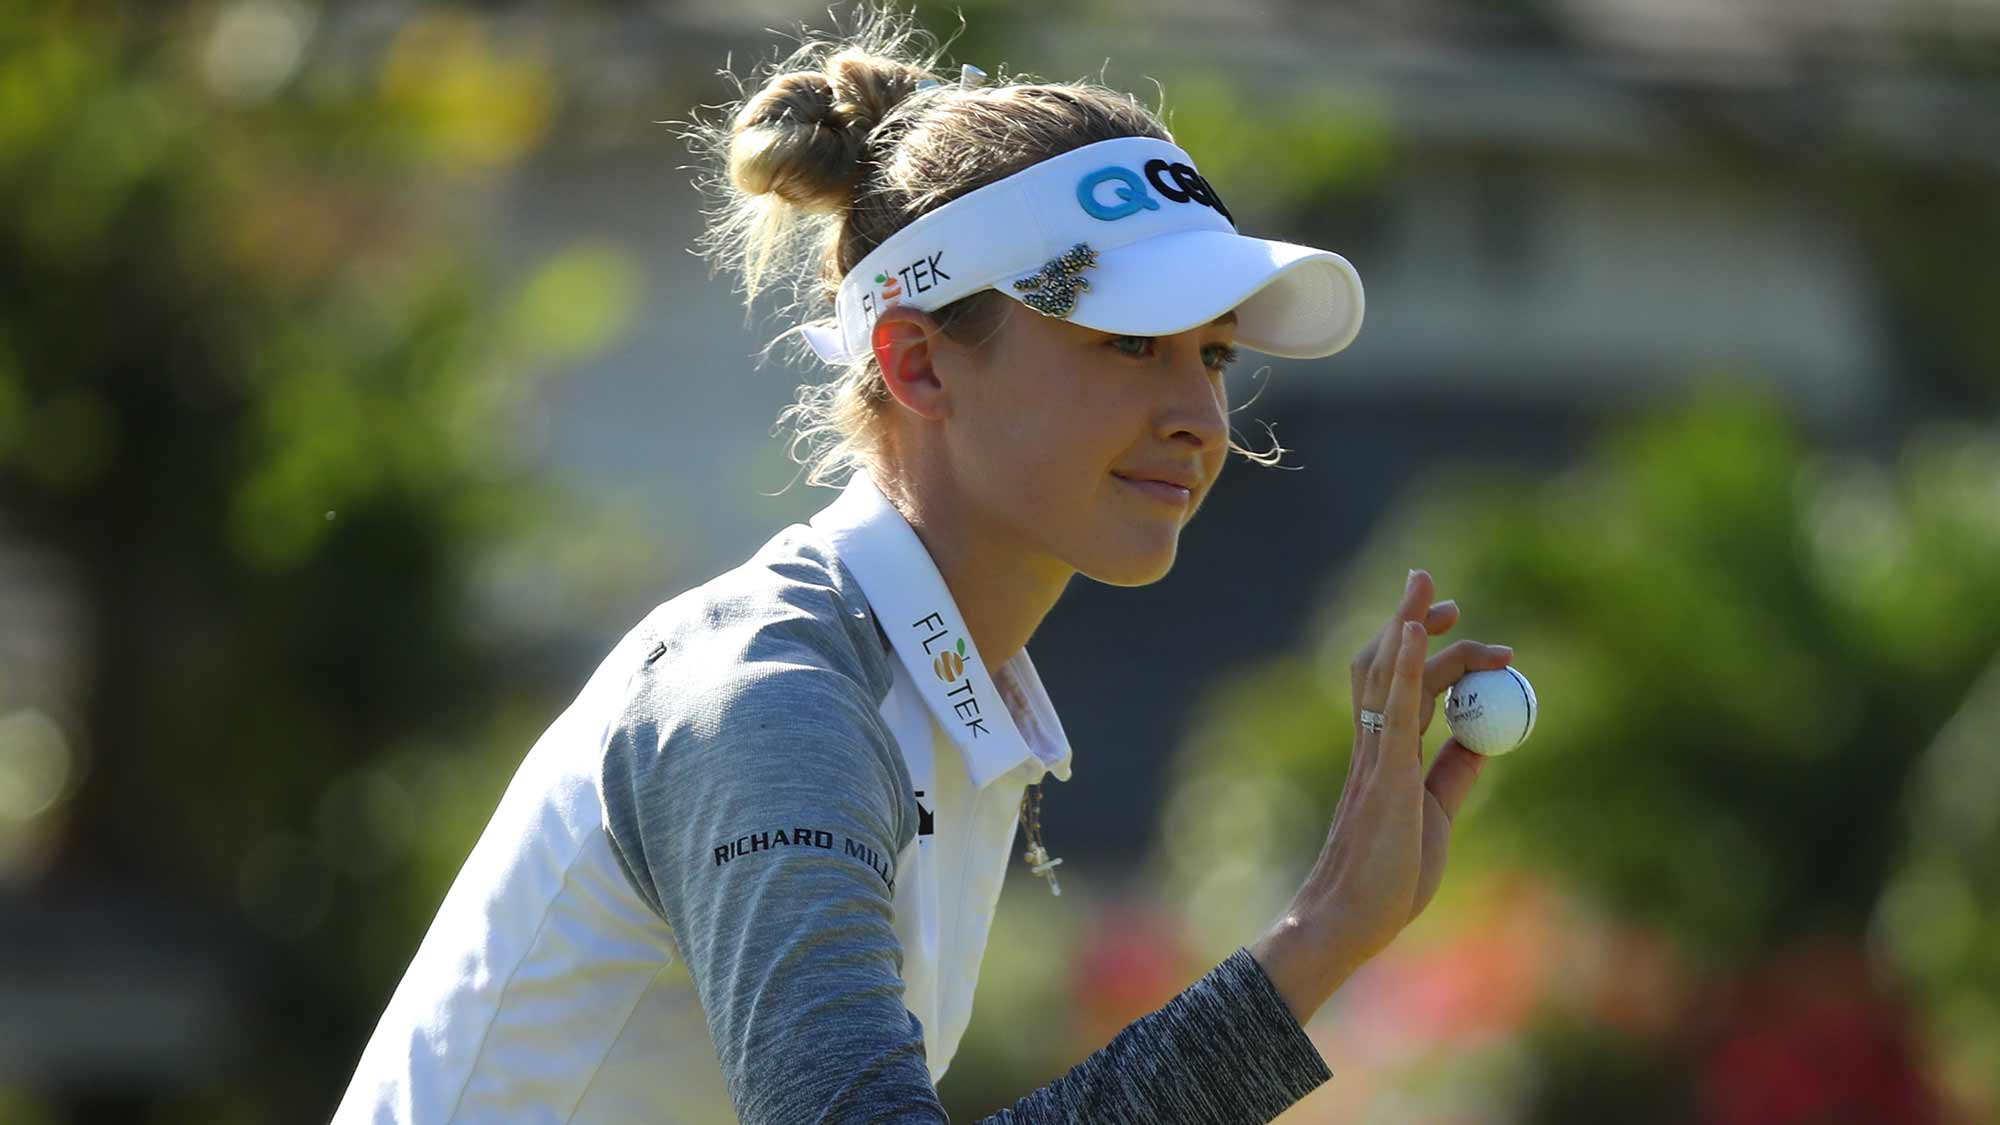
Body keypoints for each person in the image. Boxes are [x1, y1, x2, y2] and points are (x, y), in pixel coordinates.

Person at [334, 7, 1515, 1122]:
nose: (1200, 416)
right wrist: (1313, 942)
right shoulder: (772, 703)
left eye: (1210, 353)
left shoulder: (935, 689)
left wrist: (1326, 940)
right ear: (916, 363)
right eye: (1126, 342)